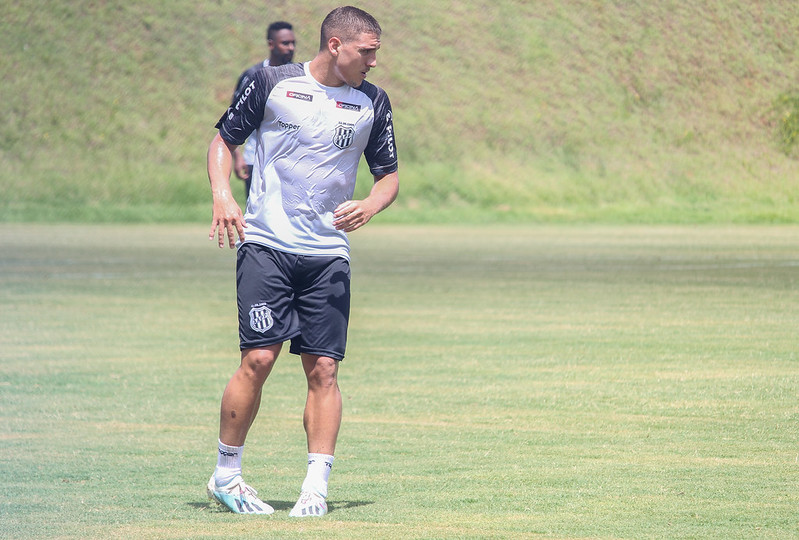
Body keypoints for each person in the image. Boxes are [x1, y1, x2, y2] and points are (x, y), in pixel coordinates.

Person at [205, 6, 398, 518]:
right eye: (367, 51)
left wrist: (371, 204)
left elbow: (388, 176)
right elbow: (224, 140)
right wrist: (223, 195)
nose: (373, 62)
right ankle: (226, 475)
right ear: (336, 45)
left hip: (327, 253)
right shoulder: (272, 83)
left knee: (325, 369)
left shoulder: (372, 101)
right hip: (267, 244)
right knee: (259, 359)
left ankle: (315, 488)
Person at [231, 21, 297, 195]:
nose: (291, 48)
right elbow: (234, 118)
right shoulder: (254, 75)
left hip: (290, 163)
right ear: (271, 44)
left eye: (293, 43)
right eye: (285, 43)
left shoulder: (299, 78)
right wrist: (238, 157)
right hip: (256, 160)